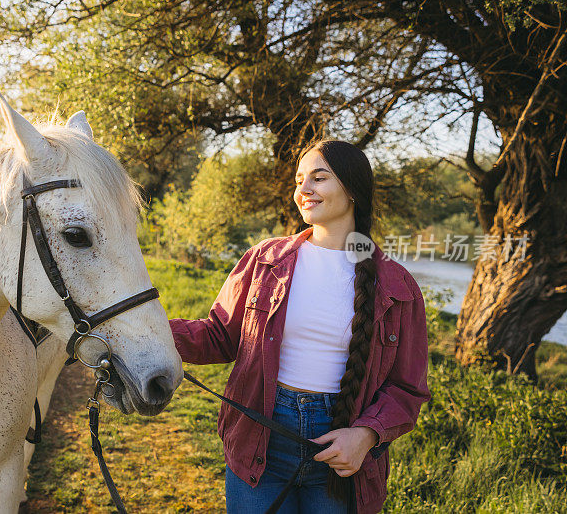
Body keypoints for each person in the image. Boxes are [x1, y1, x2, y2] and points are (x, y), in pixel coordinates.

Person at [169, 140, 431, 514]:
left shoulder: (397, 286)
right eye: (299, 180)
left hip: (341, 457)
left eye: (319, 178)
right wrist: (143, 330)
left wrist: (366, 434)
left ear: (353, 189)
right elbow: (218, 336)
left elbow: (408, 388)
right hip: (260, 440)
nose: (304, 190)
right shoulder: (265, 260)